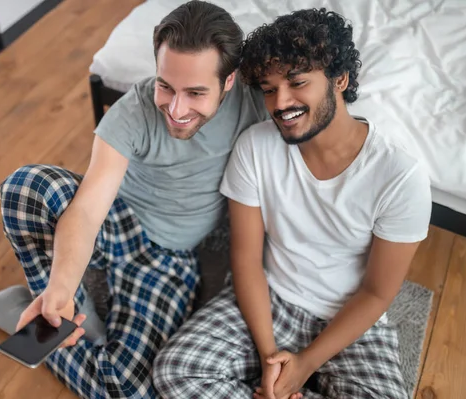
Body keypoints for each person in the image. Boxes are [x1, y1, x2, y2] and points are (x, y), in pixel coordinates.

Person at [0, 1, 267, 398]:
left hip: (169, 258)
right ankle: (61, 309)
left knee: (132, 389)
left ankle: (16, 314)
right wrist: (59, 287)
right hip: (117, 221)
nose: (176, 109)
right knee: (24, 188)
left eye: (195, 92)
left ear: (228, 82)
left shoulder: (255, 102)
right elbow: (89, 208)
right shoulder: (134, 112)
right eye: (165, 86)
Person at [153, 7, 432, 399]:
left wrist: (304, 365)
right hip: (269, 299)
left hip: (350, 319)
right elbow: (246, 259)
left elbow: (376, 293)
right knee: (175, 372)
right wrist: (271, 358)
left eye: (297, 83)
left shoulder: (400, 176)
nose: (281, 102)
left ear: (340, 79)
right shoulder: (255, 148)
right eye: (269, 89)